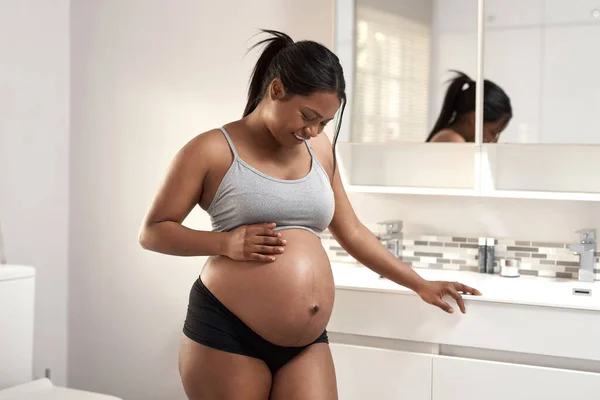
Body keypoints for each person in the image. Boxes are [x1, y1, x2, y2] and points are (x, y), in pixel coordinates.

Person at [139, 30, 482, 400]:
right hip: (228, 331)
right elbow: (154, 231)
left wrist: (419, 283)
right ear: (275, 90)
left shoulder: (319, 150)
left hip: (306, 343)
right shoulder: (211, 150)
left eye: (324, 122)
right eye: (308, 116)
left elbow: (351, 230)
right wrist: (226, 242)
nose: (314, 130)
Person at [426, 70, 512, 143]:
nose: (494, 141)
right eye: (493, 132)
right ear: (474, 119)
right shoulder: (453, 140)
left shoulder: (453, 138)